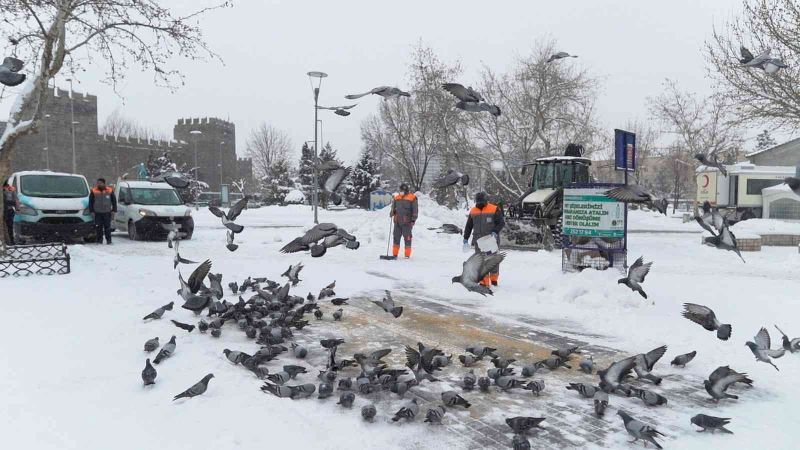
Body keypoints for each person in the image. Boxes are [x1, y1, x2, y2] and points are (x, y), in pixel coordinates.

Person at [463, 192, 505, 287]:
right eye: (478, 202)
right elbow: (469, 226)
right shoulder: (473, 211)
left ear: (486, 200)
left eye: (482, 202)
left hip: (491, 240)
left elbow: (501, 223)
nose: (480, 204)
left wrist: (495, 231)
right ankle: (483, 281)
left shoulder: (494, 209)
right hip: (478, 241)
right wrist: (465, 238)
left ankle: (494, 279)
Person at [389, 183, 418, 258]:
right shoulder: (396, 198)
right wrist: (392, 212)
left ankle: (407, 255)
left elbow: (415, 210)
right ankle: (395, 254)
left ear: (406, 190)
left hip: (407, 222)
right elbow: (393, 208)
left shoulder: (412, 198)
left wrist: (413, 220)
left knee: (407, 238)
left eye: (403, 190)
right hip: (397, 221)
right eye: (400, 190)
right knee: (396, 237)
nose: (401, 191)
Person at [88, 178, 117, 244]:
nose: (99, 184)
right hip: (97, 213)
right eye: (98, 183)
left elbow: (114, 201)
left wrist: (114, 210)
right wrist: (91, 211)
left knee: (107, 227)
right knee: (98, 227)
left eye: (100, 183)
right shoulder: (93, 191)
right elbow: (91, 202)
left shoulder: (109, 190)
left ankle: (109, 241)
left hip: (107, 212)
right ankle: (99, 240)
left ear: (104, 183)